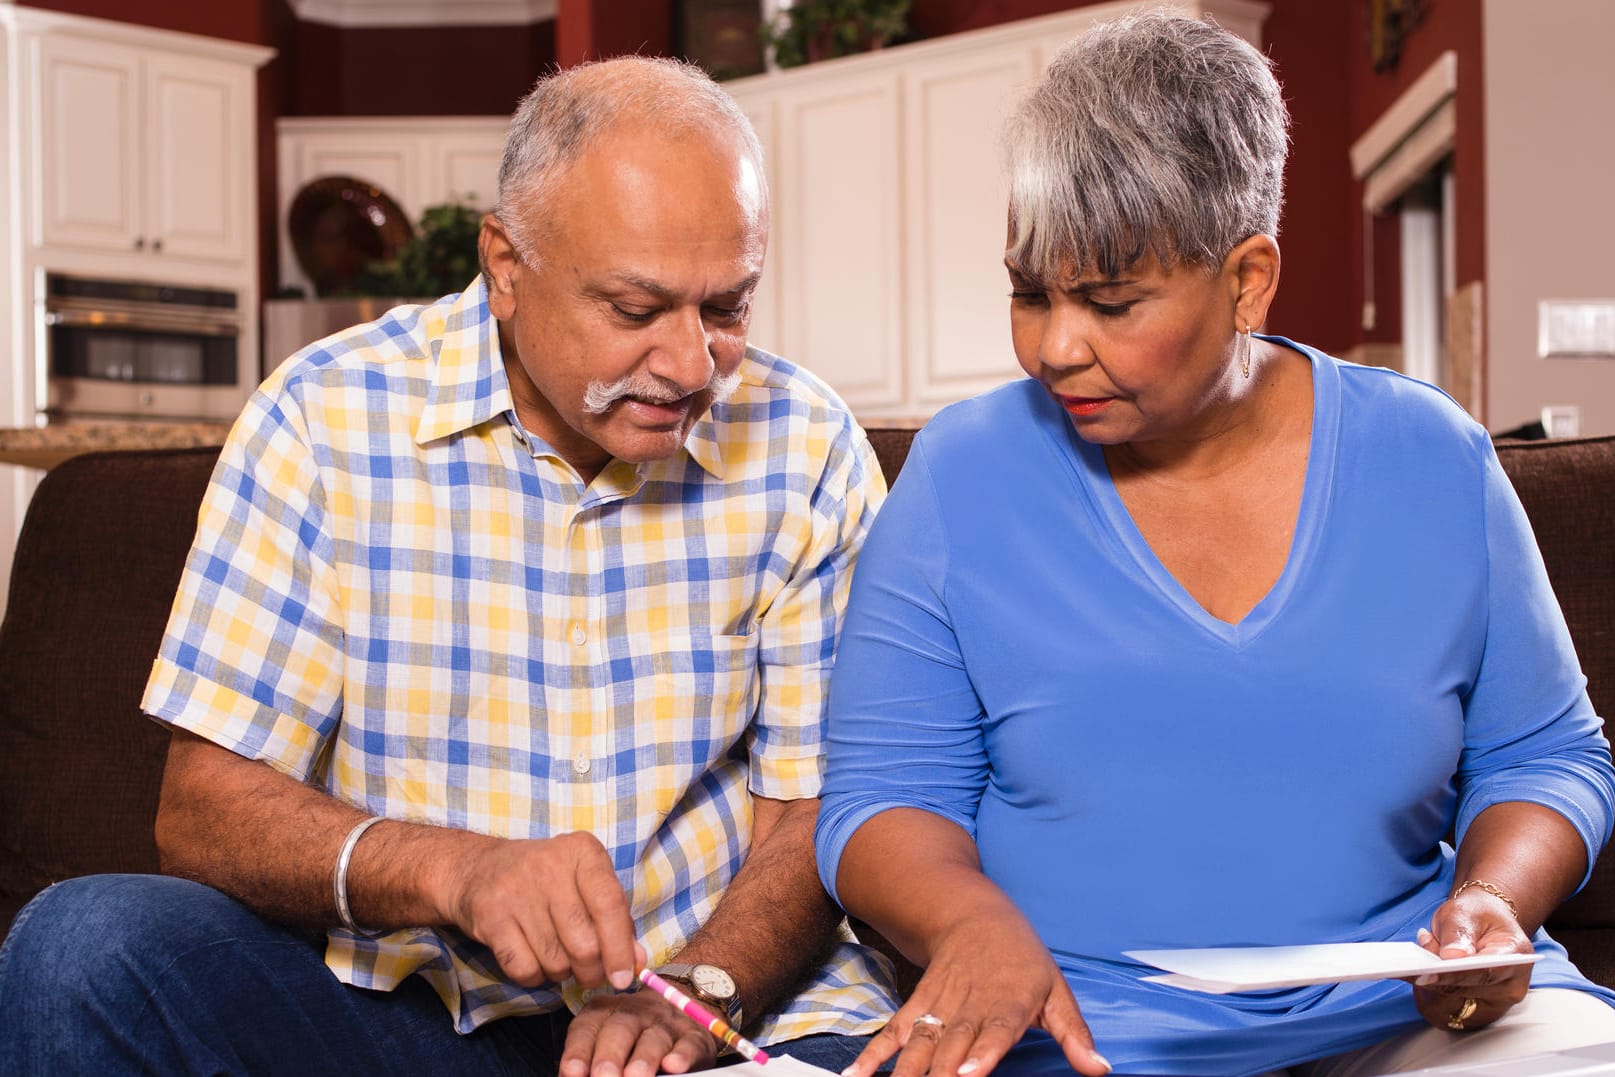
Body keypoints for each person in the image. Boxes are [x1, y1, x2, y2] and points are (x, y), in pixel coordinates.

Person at [0, 56, 899, 1075]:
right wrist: (451, 872)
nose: (692, 364)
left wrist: (691, 998)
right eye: (636, 310)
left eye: (726, 307)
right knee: (84, 945)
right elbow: (204, 808)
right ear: (507, 266)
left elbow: (814, 812)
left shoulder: (804, 445)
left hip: (729, 1012)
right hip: (406, 1015)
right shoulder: (322, 419)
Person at [811, 13, 1615, 1077]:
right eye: (1029, 293)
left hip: (1408, 1012)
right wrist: (967, 928)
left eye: (1109, 301)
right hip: (1078, 1029)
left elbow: (1546, 756)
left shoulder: (1432, 459)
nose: (1055, 346)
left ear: (1246, 279)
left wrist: (1487, 903)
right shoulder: (962, 476)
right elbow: (881, 802)